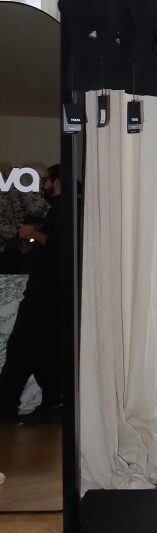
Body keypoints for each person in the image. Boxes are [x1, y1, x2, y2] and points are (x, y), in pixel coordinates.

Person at [0, 164, 62, 425]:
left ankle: (5, 407)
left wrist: (33, 234)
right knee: (41, 352)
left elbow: (62, 244)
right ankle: (53, 401)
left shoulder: (65, 210)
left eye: (47, 180)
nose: (43, 184)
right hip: (47, 294)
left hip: (44, 295)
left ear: (57, 182)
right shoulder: (60, 210)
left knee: (20, 350)